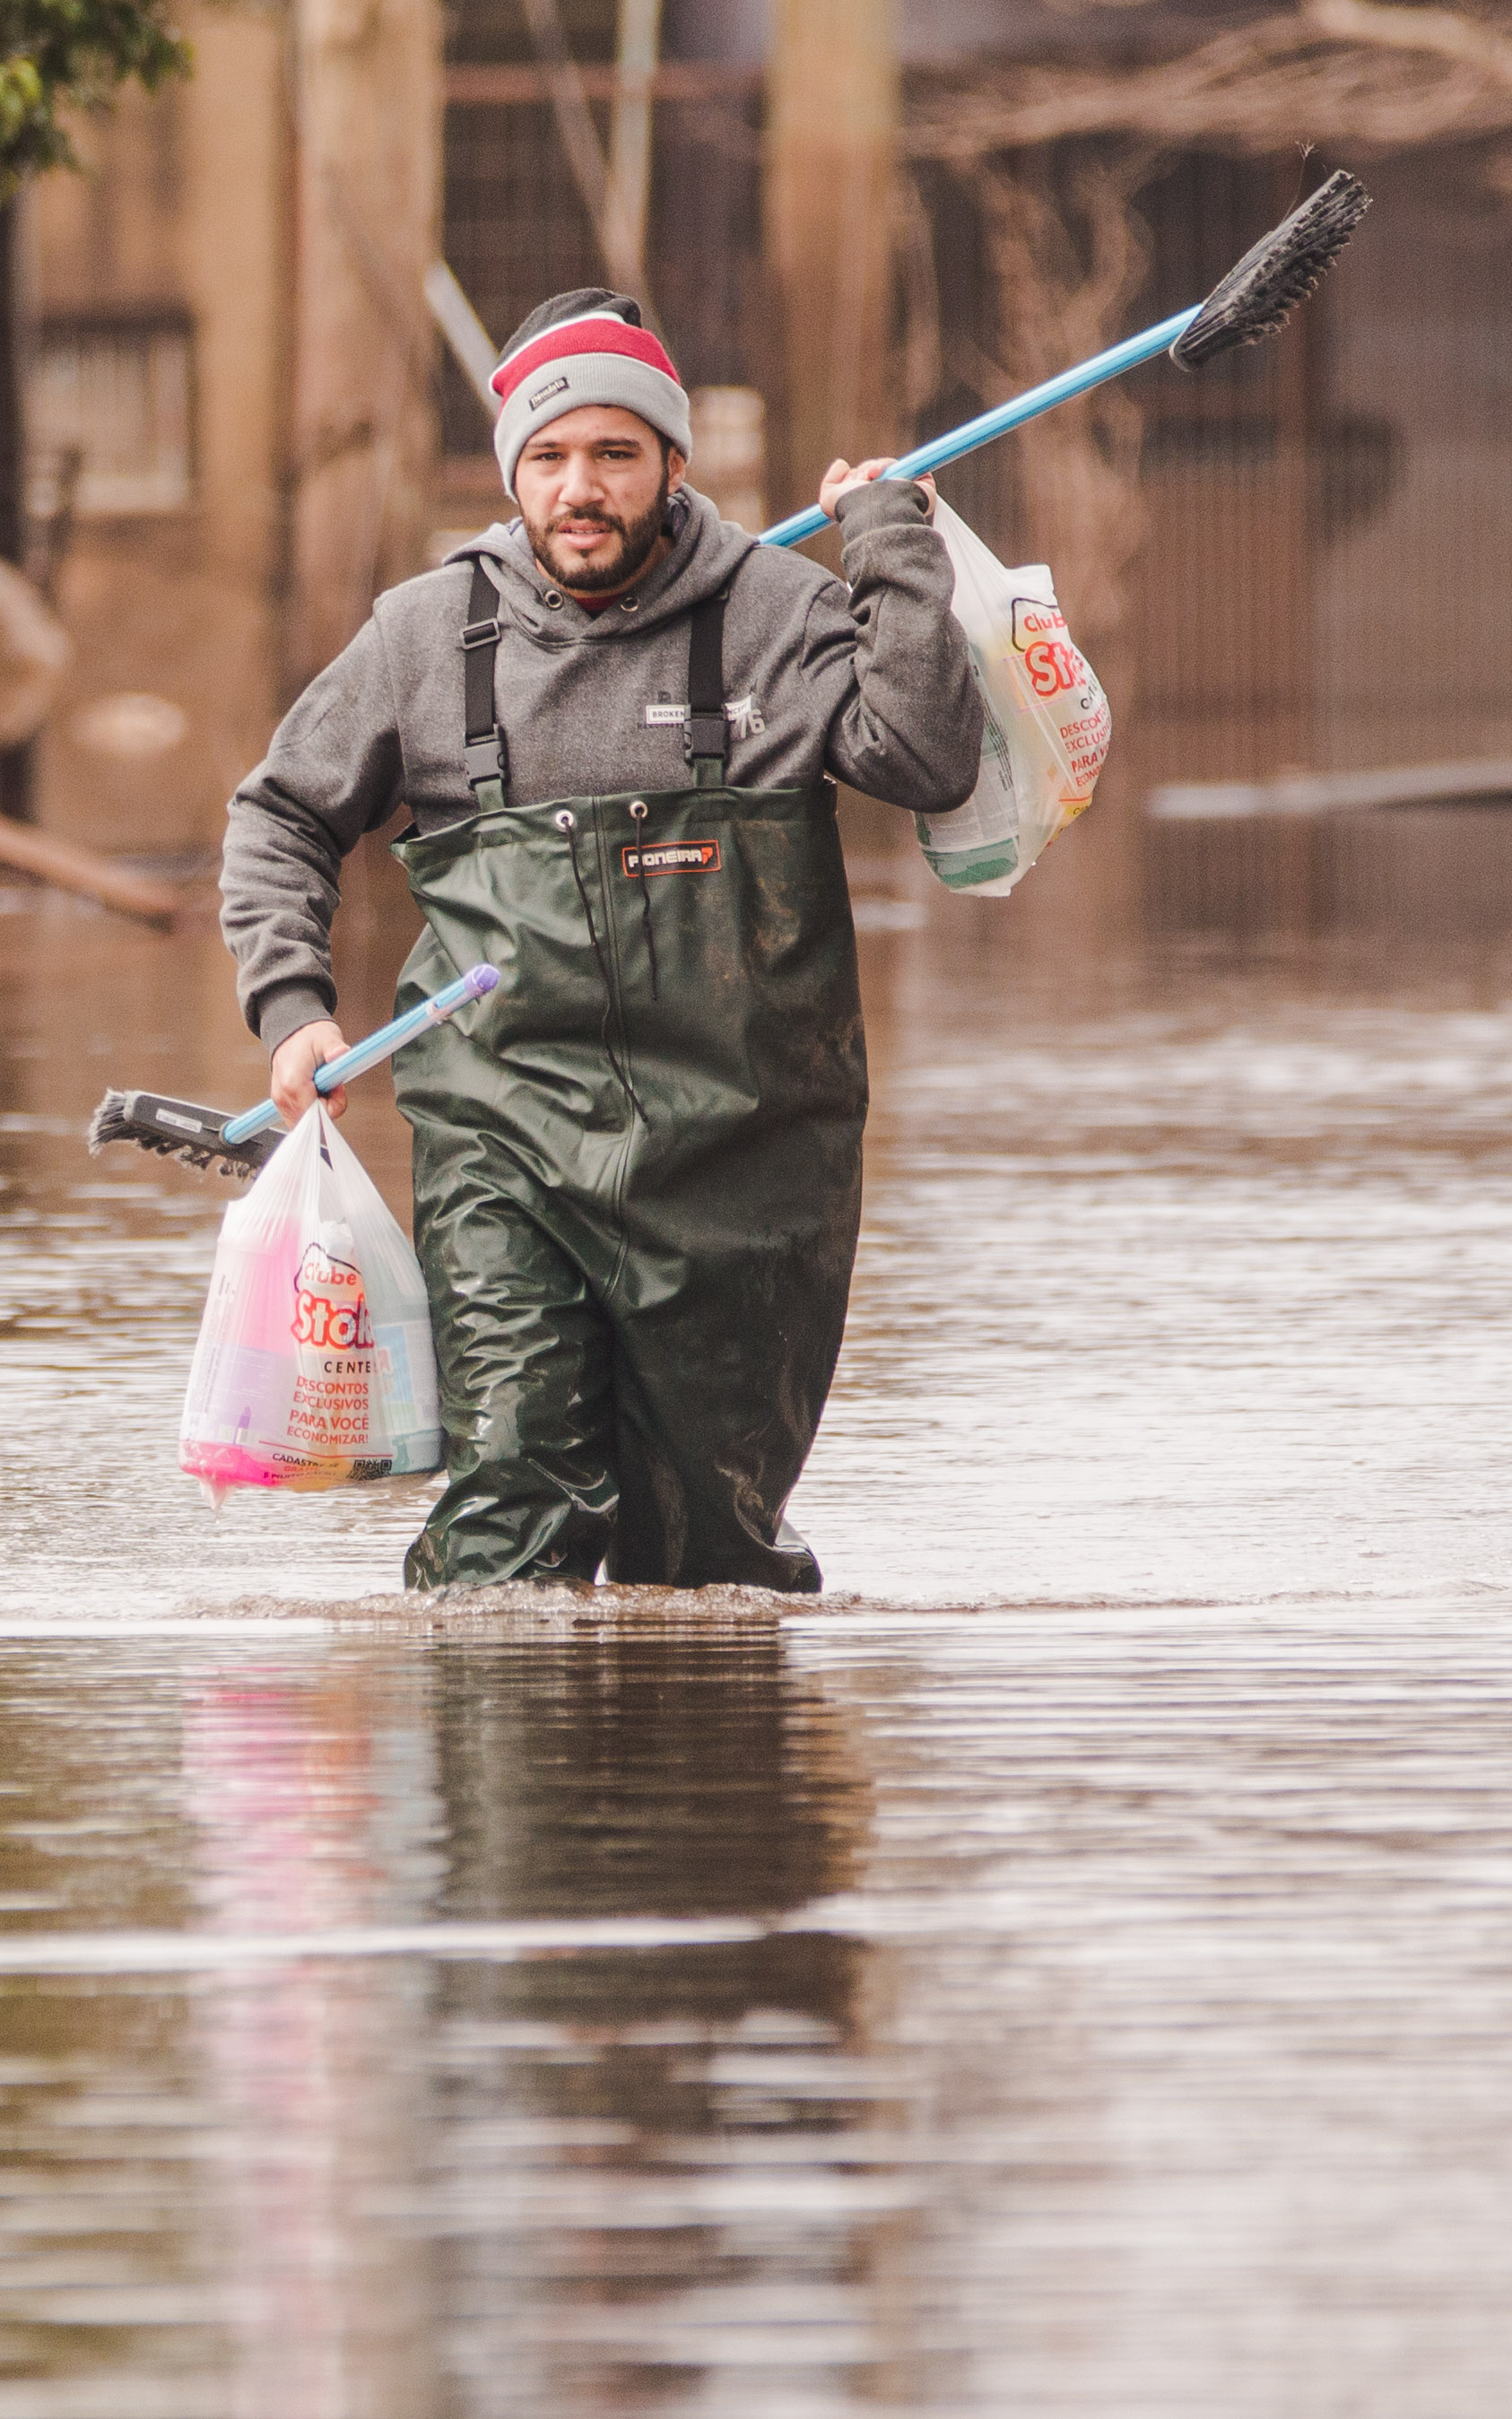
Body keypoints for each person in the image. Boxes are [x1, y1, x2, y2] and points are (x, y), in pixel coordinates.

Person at [218, 290, 979, 1590]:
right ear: (511, 470)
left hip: (746, 1158)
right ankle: (499, 1767)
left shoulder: (775, 611)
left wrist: (890, 551)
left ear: (673, 466)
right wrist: (291, 1004)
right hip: (501, 1139)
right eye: (550, 457)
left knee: (706, 1555)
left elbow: (924, 756)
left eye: (617, 454)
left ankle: (683, 1772)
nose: (582, 487)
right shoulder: (423, 635)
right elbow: (279, 813)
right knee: (510, 1494)